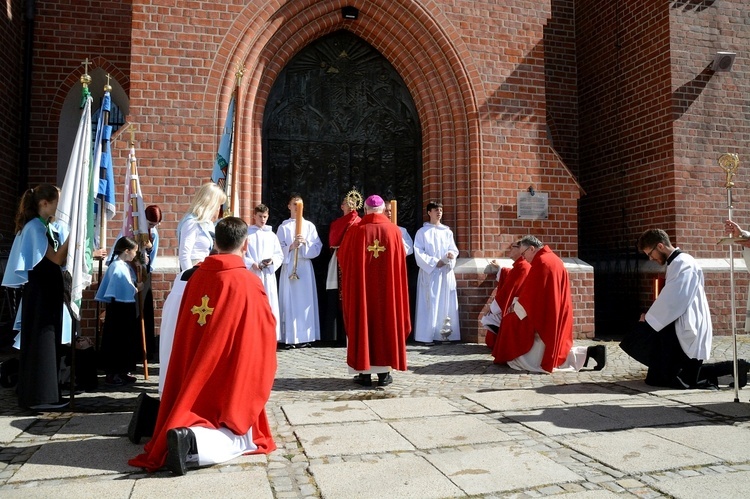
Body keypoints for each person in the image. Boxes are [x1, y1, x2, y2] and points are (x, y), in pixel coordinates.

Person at [129, 217, 277, 475]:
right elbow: (263, 333)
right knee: (243, 435)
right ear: (246, 244)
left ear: (215, 242)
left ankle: (154, 419)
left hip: (195, 368)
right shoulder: (248, 282)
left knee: (191, 407)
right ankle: (191, 442)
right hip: (228, 373)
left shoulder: (195, 278)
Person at [491, 235, 606, 373]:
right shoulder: (552, 258)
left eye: (523, 253)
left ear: (532, 248)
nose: (523, 257)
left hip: (545, 312)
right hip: (554, 307)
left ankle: (514, 356)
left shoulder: (541, 262)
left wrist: (516, 310)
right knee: (555, 348)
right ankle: (591, 352)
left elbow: (531, 295)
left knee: (511, 324)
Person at [2, 184, 69, 409]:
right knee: (42, 342)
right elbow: (55, 258)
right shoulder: (35, 227)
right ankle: (41, 397)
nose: (61, 207)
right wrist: (73, 237)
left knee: (48, 341)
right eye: (58, 201)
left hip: (46, 290)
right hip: (40, 291)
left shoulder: (43, 226)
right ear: (44, 203)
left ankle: (44, 394)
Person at [619, 229, 712, 387]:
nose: (650, 258)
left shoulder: (683, 263)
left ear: (660, 246)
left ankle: (727, 369)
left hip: (685, 322)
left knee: (664, 372)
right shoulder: (676, 263)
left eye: (650, 253)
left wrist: (648, 318)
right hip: (678, 319)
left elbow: (674, 299)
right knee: (658, 374)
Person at [338, 195, 411, 387]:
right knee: (386, 322)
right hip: (388, 293)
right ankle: (384, 374)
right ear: (382, 210)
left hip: (363, 293)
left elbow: (342, 258)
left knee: (364, 322)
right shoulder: (394, 231)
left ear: (367, 210)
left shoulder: (355, 231)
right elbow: (400, 262)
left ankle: (364, 373)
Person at [95, 236, 143, 387]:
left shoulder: (123, 265)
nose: (135, 254)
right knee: (117, 340)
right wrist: (137, 288)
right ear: (127, 251)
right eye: (134, 251)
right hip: (119, 308)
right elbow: (123, 287)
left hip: (125, 307)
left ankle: (123, 370)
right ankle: (113, 372)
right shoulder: (117, 266)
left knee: (126, 340)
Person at [276, 194, 323, 348]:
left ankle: (305, 336)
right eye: (294, 204)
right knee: (289, 301)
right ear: (289, 206)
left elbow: (317, 247)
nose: (297, 208)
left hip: (304, 266)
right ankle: (289, 337)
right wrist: (290, 246)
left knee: (305, 302)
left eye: (300, 205)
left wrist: (305, 244)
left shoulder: (309, 226)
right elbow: (277, 249)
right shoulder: (283, 227)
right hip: (289, 266)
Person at [413, 201, 460, 344]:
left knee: (445, 303)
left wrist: (450, 256)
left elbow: (454, 249)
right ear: (429, 213)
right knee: (430, 302)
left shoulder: (447, 231)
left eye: (440, 210)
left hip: (445, 272)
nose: (439, 212)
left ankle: (444, 334)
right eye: (435, 210)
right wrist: (434, 262)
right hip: (430, 273)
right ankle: (427, 335)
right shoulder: (422, 232)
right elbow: (418, 251)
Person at [323, 191, 362, 344]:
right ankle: (337, 335)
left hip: (354, 261)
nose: (350, 205)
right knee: (337, 296)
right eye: (347, 203)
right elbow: (333, 241)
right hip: (339, 259)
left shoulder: (359, 221)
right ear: (342, 206)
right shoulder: (337, 223)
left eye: (353, 202)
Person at [481, 239, 531, 349]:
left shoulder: (523, 266)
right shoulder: (520, 266)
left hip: (517, 309)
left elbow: (509, 290)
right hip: (514, 306)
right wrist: (499, 269)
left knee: (490, 318)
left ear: (520, 249)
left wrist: (494, 307)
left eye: (513, 246)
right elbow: (510, 277)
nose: (510, 249)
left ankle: (504, 343)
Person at [245, 204, 283, 339]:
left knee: (269, 303)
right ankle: (252, 334)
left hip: (268, 275)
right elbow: (242, 253)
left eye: (265, 217)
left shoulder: (271, 235)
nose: (263, 220)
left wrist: (272, 261)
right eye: (260, 216)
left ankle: (269, 335)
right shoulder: (247, 234)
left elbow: (279, 255)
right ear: (254, 216)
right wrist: (251, 263)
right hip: (253, 274)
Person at [176, 183, 226, 271]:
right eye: (218, 204)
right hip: (194, 268)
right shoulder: (191, 222)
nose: (219, 208)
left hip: (206, 268)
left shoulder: (209, 224)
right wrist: (190, 279)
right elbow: (184, 255)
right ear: (211, 203)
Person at [142, 204, 162, 359]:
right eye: (150, 224)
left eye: (155, 225)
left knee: (145, 311)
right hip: (131, 271)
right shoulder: (133, 228)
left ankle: (147, 351)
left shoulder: (154, 233)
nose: (153, 227)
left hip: (144, 273)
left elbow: (152, 254)